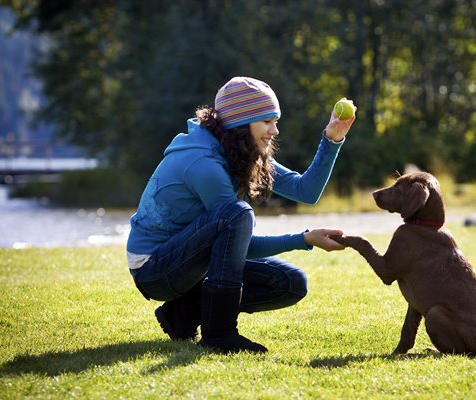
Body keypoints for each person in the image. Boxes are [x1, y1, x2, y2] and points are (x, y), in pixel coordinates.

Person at [126, 76, 356, 353]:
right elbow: (241, 242)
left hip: (190, 264)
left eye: (275, 121)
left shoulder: (238, 149)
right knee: (236, 214)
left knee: (290, 283)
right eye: (267, 121)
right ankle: (219, 334)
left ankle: (182, 314)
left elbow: (305, 191)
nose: (275, 130)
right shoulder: (204, 163)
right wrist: (303, 239)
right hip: (155, 269)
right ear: (240, 123)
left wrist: (333, 138)